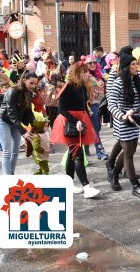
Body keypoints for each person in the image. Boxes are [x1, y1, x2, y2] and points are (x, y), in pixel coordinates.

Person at [50, 63, 101, 198]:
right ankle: (86, 186)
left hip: (80, 122)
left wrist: (87, 113)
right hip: (70, 123)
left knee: (73, 155)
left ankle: (69, 183)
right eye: (85, 72)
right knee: (78, 154)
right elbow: (61, 109)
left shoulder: (82, 87)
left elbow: (83, 104)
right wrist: (76, 120)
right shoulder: (68, 87)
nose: (87, 74)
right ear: (78, 73)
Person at [107, 51, 140, 197]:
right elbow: (111, 104)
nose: (136, 67)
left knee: (129, 151)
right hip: (123, 121)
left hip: (135, 119)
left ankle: (115, 173)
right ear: (125, 67)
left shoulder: (137, 80)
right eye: (133, 64)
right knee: (129, 152)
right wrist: (123, 115)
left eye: (136, 64)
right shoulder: (119, 82)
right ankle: (135, 185)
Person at [0, 71, 38, 175]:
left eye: (35, 83)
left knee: (15, 151)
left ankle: (11, 174)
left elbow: (28, 112)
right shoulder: (12, 91)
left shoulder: (28, 93)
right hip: (3, 120)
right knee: (7, 151)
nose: (33, 86)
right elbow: (11, 114)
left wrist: (35, 125)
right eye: (31, 83)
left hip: (15, 122)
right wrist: (24, 132)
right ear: (24, 80)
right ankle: (7, 179)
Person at [85, 54, 108, 160]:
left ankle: (85, 149)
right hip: (91, 105)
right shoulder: (85, 76)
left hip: (100, 105)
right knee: (95, 128)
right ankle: (100, 152)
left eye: (94, 62)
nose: (93, 64)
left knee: (94, 128)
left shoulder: (99, 75)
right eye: (90, 63)